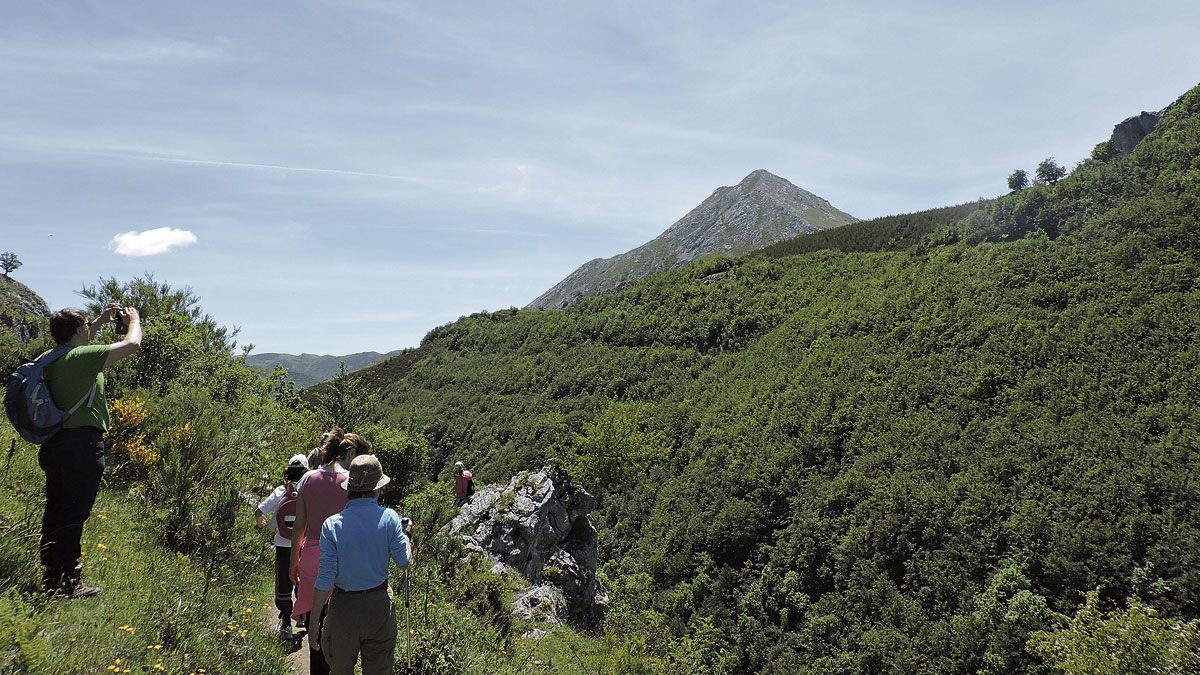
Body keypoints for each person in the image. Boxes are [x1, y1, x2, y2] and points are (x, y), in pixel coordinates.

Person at [39, 303, 141, 598]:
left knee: (56, 508)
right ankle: (66, 582)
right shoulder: (82, 358)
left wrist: (97, 321)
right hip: (82, 446)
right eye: (86, 327)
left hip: (54, 445)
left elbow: (75, 343)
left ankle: (51, 573)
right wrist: (134, 320)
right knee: (74, 513)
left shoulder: (50, 358)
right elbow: (132, 344)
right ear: (79, 331)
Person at [309, 453, 412, 674]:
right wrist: (407, 541)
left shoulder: (332, 525)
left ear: (350, 488)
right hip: (379, 606)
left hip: (343, 608)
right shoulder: (390, 518)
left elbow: (325, 578)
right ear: (377, 487)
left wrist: (314, 621)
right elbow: (403, 562)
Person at [290, 428, 366, 675]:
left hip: (311, 559)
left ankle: (318, 669)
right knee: (341, 625)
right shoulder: (350, 482)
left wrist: (294, 562)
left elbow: (299, 526)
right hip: (343, 562)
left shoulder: (308, 479)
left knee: (316, 622)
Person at [255, 453, 309, 639]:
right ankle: (306, 617)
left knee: (283, 581)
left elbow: (259, 510)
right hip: (304, 543)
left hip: (283, 544)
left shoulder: (280, 491)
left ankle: (286, 621)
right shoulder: (309, 490)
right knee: (305, 579)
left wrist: (260, 521)